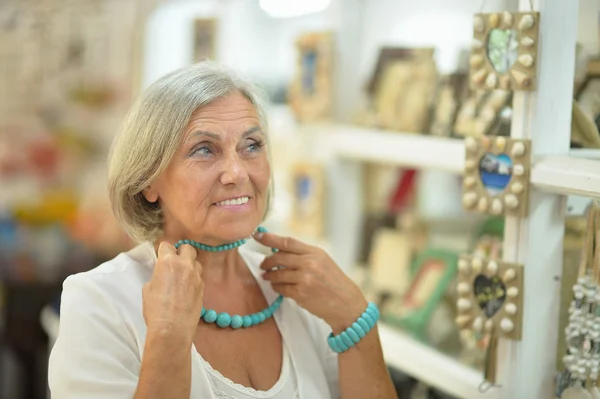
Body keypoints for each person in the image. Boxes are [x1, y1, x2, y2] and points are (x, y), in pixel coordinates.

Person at [48, 62, 396, 399]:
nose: (237, 172)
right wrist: (168, 336)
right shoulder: (99, 301)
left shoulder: (300, 290)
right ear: (148, 181)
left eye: (251, 146)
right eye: (204, 150)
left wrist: (354, 316)